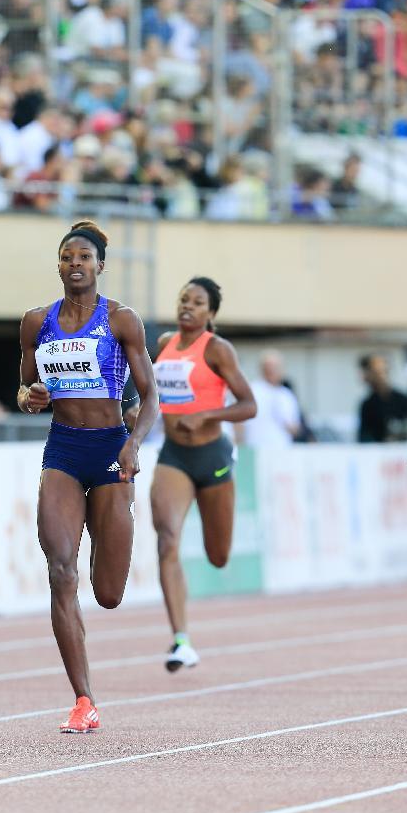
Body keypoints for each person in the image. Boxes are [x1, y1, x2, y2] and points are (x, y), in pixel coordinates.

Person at [17, 219, 158, 733]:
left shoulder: (121, 321)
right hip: (63, 452)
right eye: (66, 257)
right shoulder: (36, 321)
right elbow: (27, 389)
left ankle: (111, 527)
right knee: (59, 570)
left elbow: (149, 397)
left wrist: (133, 441)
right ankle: (83, 699)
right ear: (58, 264)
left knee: (108, 593)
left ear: (100, 264)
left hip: (110, 452)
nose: (74, 265)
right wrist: (29, 398)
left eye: (83, 257)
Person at [150, 277, 256, 671]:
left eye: (197, 302)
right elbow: (155, 394)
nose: (187, 307)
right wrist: (142, 412)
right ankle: (180, 640)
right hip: (173, 455)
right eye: (183, 299)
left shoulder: (217, 349)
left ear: (210, 313)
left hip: (211, 455)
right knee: (166, 539)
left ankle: (183, 637)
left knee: (218, 555)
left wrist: (208, 414)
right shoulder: (162, 345)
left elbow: (249, 404)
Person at [240, 350, 301, 447]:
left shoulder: (286, 395)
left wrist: (285, 421)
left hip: (282, 450)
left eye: (276, 367)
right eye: (269, 367)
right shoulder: (252, 390)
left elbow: (295, 428)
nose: (272, 370)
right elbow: (239, 424)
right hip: (255, 450)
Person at [357, 354, 407, 443]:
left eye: (381, 371)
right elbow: (363, 438)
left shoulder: (403, 400)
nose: (380, 376)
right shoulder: (367, 405)